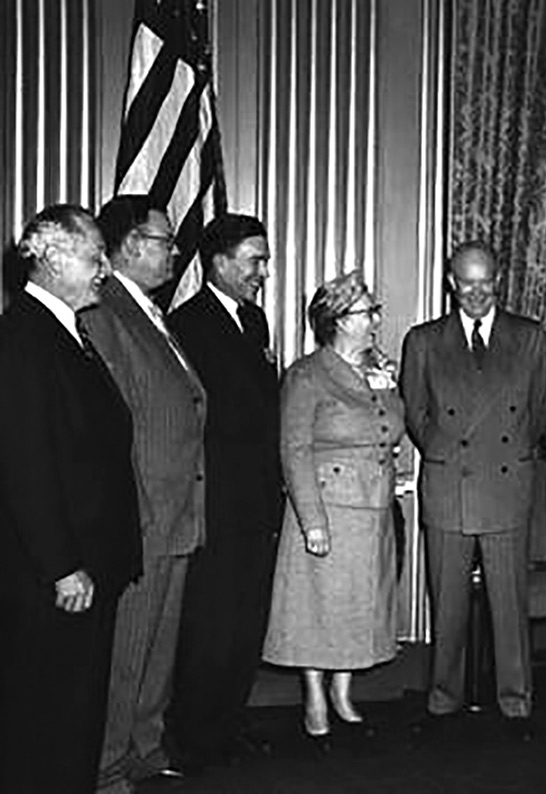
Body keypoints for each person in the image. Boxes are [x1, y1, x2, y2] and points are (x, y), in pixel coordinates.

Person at [0, 205, 143, 792]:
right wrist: (62, 566)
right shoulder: (24, 339)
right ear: (53, 262)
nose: (104, 270)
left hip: (86, 561)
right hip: (55, 578)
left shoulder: (66, 332)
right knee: (48, 715)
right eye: (94, 258)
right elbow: (24, 465)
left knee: (75, 710)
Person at [76, 196, 207, 791]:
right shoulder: (106, 314)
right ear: (128, 246)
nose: (174, 251)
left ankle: (145, 747)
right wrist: (135, 510)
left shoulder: (150, 312)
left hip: (178, 511)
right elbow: (110, 426)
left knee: (159, 647)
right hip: (145, 516)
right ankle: (106, 768)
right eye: (164, 240)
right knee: (126, 654)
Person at [400, 242, 546, 738]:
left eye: (486, 283)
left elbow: (538, 416)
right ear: (450, 282)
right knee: (449, 605)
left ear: (499, 280)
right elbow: (417, 416)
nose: (478, 293)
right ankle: (444, 700)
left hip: (506, 482)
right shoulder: (423, 341)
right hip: (449, 484)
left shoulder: (528, 337)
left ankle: (516, 702)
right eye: (467, 283)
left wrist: (501, 457)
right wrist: (449, 453)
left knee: (510, 605)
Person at [263, 272, 404, 738]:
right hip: (329, 508)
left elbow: (390, 429)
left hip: (375, 507)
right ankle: (315, 698)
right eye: (367, 312)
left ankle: (343, 692)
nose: (376, 320)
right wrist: (311, 521)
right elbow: (294, 449)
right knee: (317, 606)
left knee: (359, 606)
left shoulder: (379, 368)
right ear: (339, 321)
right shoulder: (308, 374)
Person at [165, 214, 282, 771]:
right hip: (215, 503)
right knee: (209, 625)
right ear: (219, 262)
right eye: (254, 259)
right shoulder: (187, 324)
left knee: (244, 623)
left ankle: (229, 723)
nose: (264, 270)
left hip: (257, 502)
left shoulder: (254, 321)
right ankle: (193, 735)